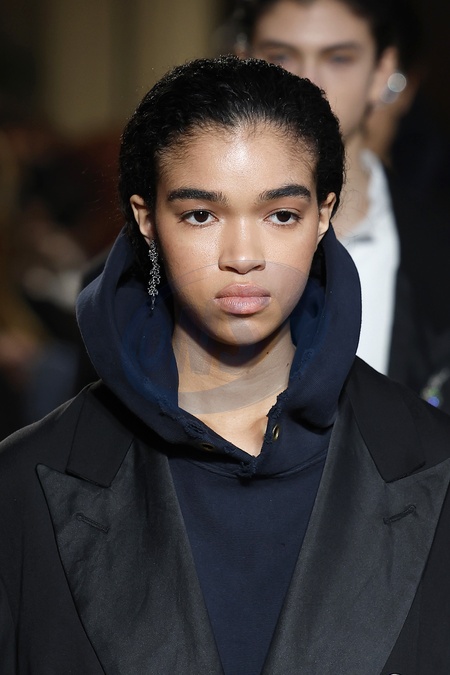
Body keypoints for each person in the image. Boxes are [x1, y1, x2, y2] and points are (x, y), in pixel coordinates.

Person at [1, 55, 450, 674]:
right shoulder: (23, 485)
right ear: (146, 220)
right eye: (201, 214)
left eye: (281, 215)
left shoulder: (433, 463)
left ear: (324, 216)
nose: (243, 255)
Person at [236, 0, 450, 394]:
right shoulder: (169, 248)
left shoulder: (436, 248)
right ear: (243, 60)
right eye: (280, 55)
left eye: (339, 58)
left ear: (382, 72)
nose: (308, 81)